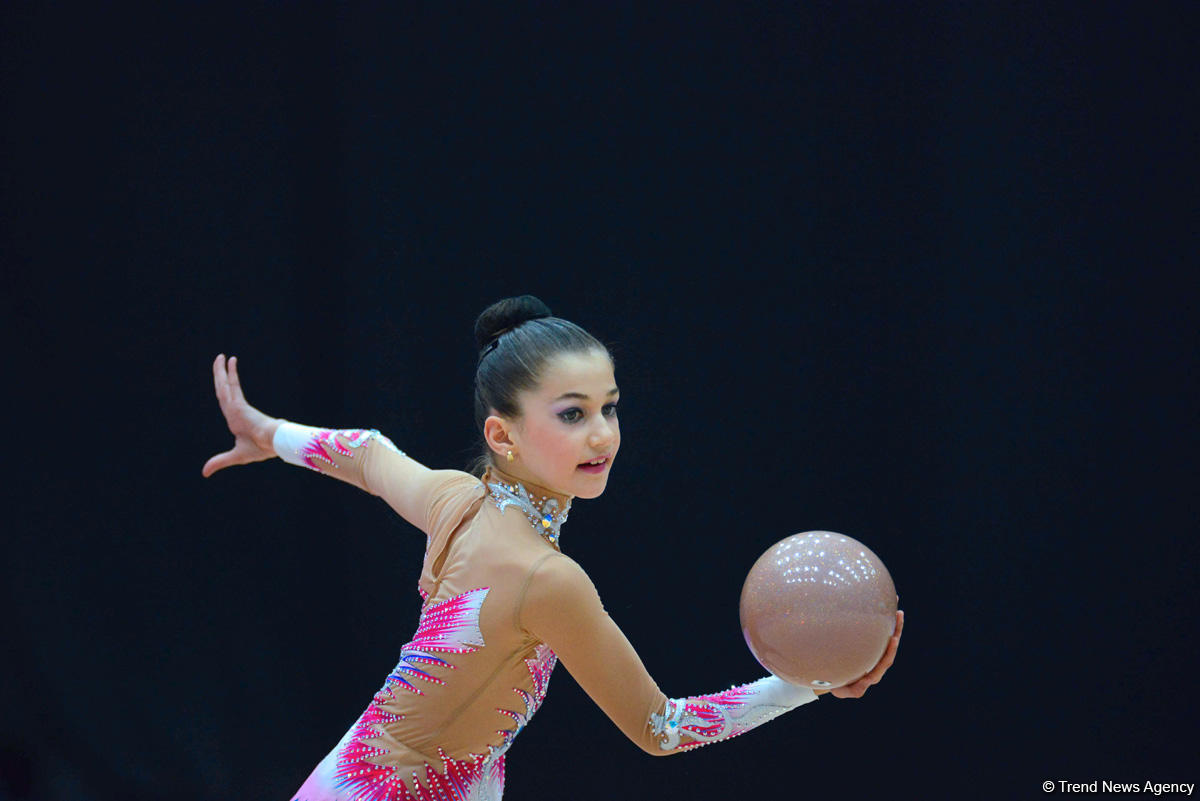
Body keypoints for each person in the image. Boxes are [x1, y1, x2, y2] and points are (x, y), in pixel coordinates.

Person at [202, 295, 904, 801]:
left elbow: (369, 454)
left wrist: (269, 433)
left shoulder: (458, 500)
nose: (603, 434)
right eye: (572, 413)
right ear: (502, 436)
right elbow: (661, 727)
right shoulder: (547, 578)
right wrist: (807, 682)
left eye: (609, 405)